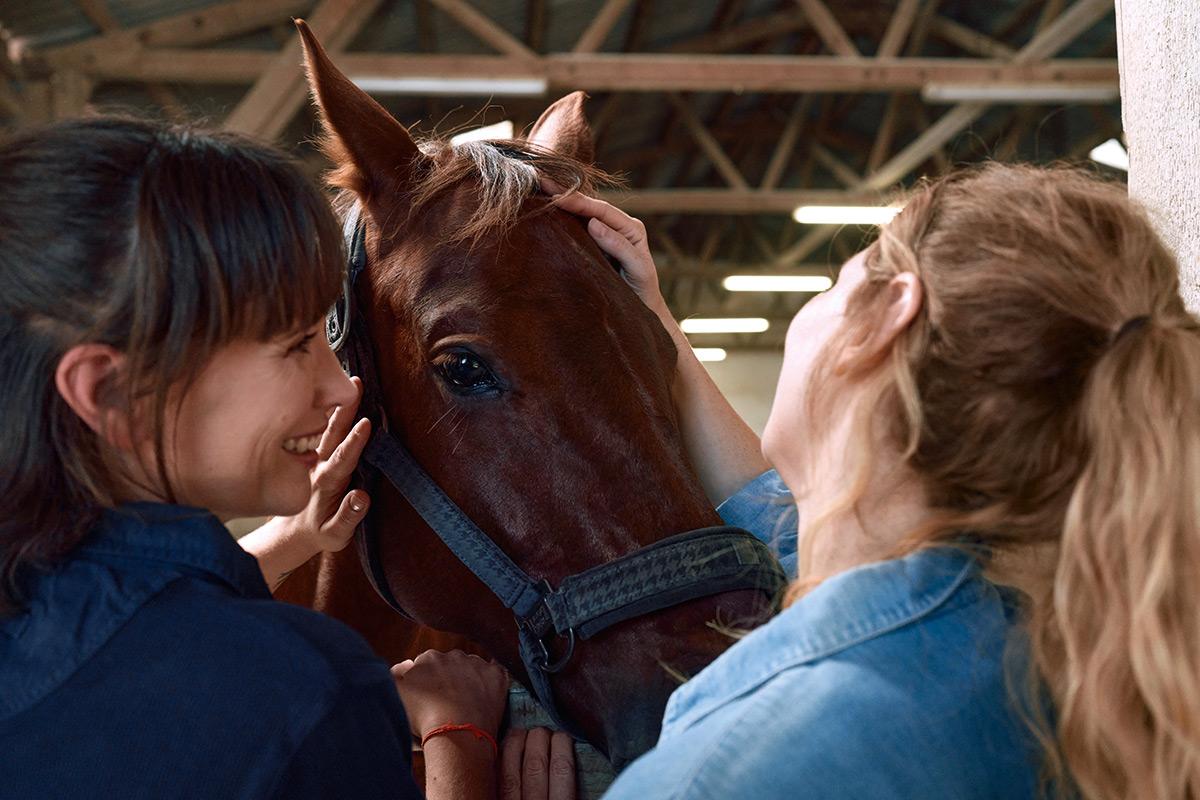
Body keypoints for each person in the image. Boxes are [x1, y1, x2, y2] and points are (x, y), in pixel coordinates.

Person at [551, 162, 1200, 799]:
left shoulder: (721, 770)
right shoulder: (1043, 669)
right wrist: (655, 321)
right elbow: (805, 528)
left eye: (836, 283)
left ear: (891, 312)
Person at [0, 116, 517, 800]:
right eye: (296, 344)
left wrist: (292, 538)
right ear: (112, 392)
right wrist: (461, 745)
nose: (340, 388)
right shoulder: (300, 690)